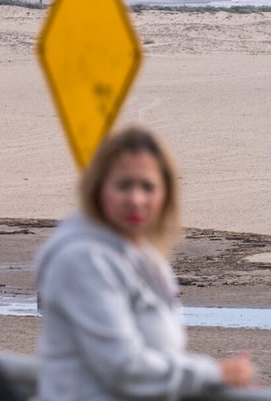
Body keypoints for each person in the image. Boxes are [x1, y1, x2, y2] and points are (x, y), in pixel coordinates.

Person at [34, 126, 253, 401]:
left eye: (148, 186)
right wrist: (212, 373)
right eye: (124, 185)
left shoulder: (146, 258)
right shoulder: (84, 260)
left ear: (166, 194)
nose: (136, 199)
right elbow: (123, 367)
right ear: (98, 188)